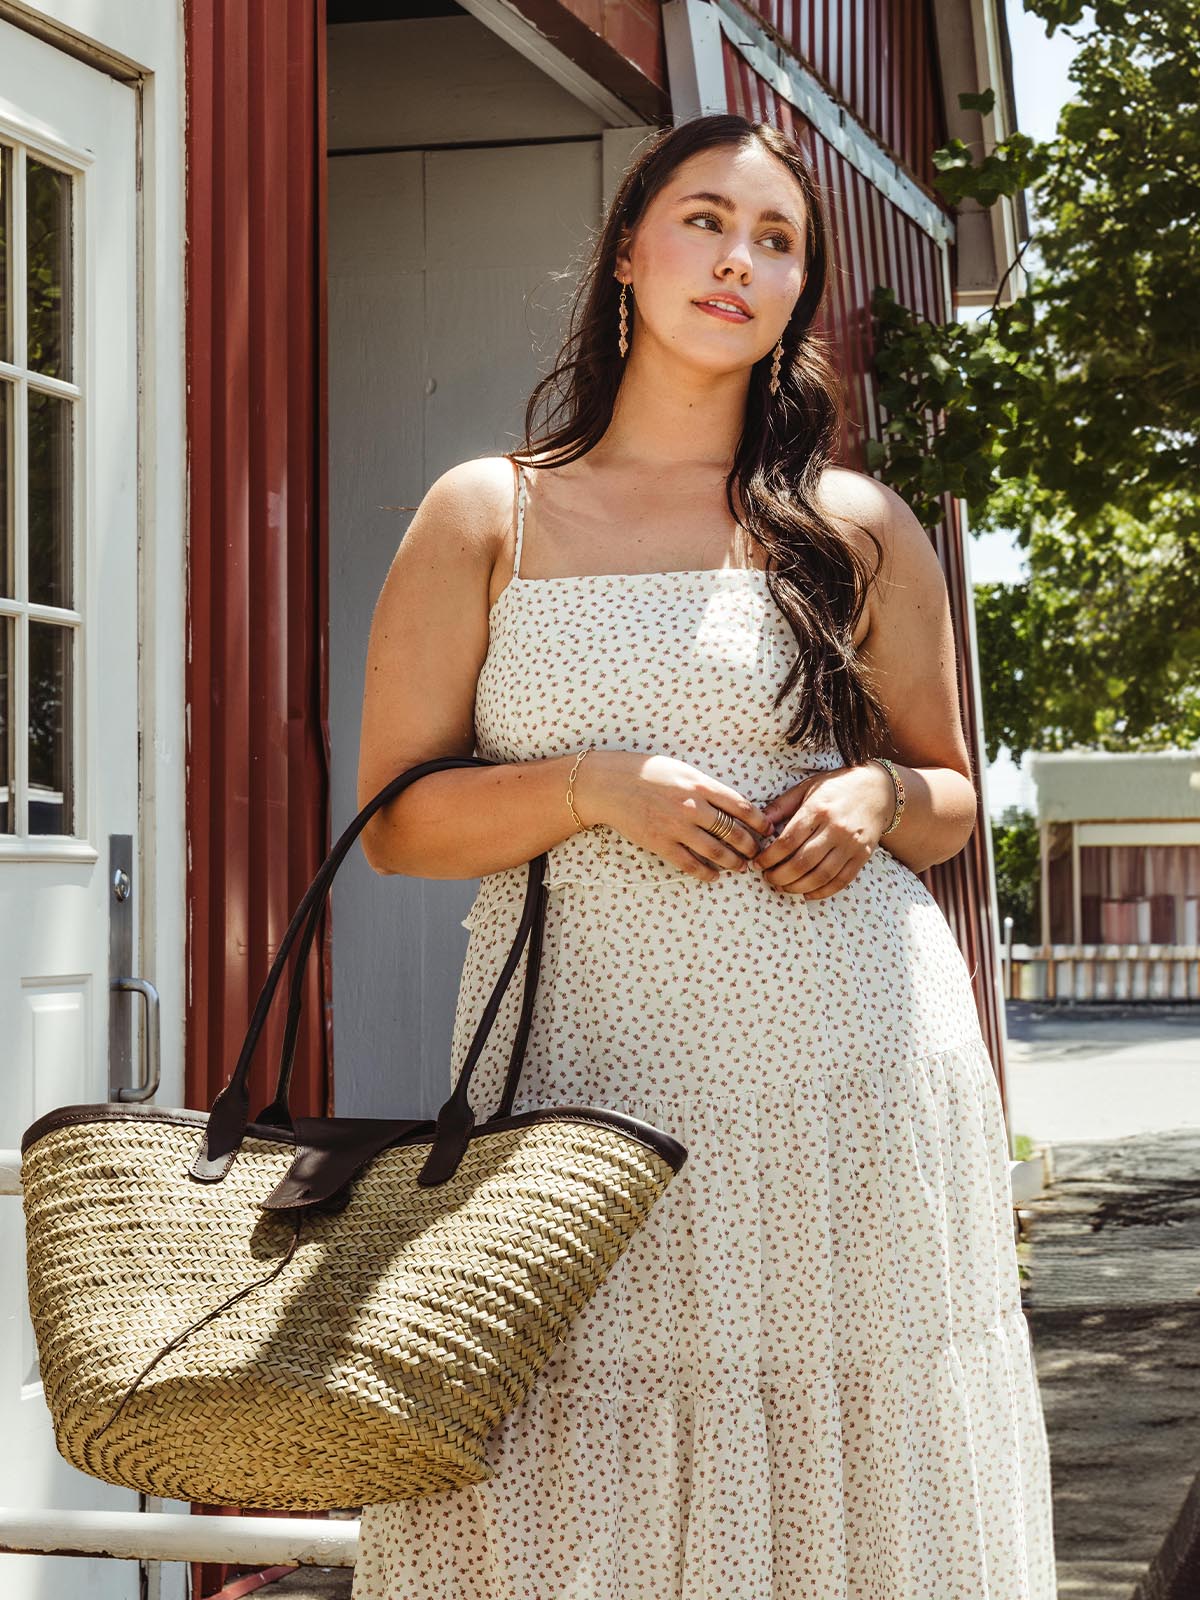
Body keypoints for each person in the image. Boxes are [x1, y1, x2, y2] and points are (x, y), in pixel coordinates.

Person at [351, 112, 1057, 1600]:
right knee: (562, 1464)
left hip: (845, 1080)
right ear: (625, 251)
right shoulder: (490, 512)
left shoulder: (852, 530)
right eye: (702, 221)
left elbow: (951, 795)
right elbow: (400, 824)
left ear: (800, 295)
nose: (738, 259)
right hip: (591, 1081)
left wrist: (872, 803)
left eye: (777, 241)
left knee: (850, 1469)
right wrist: (593, 787)